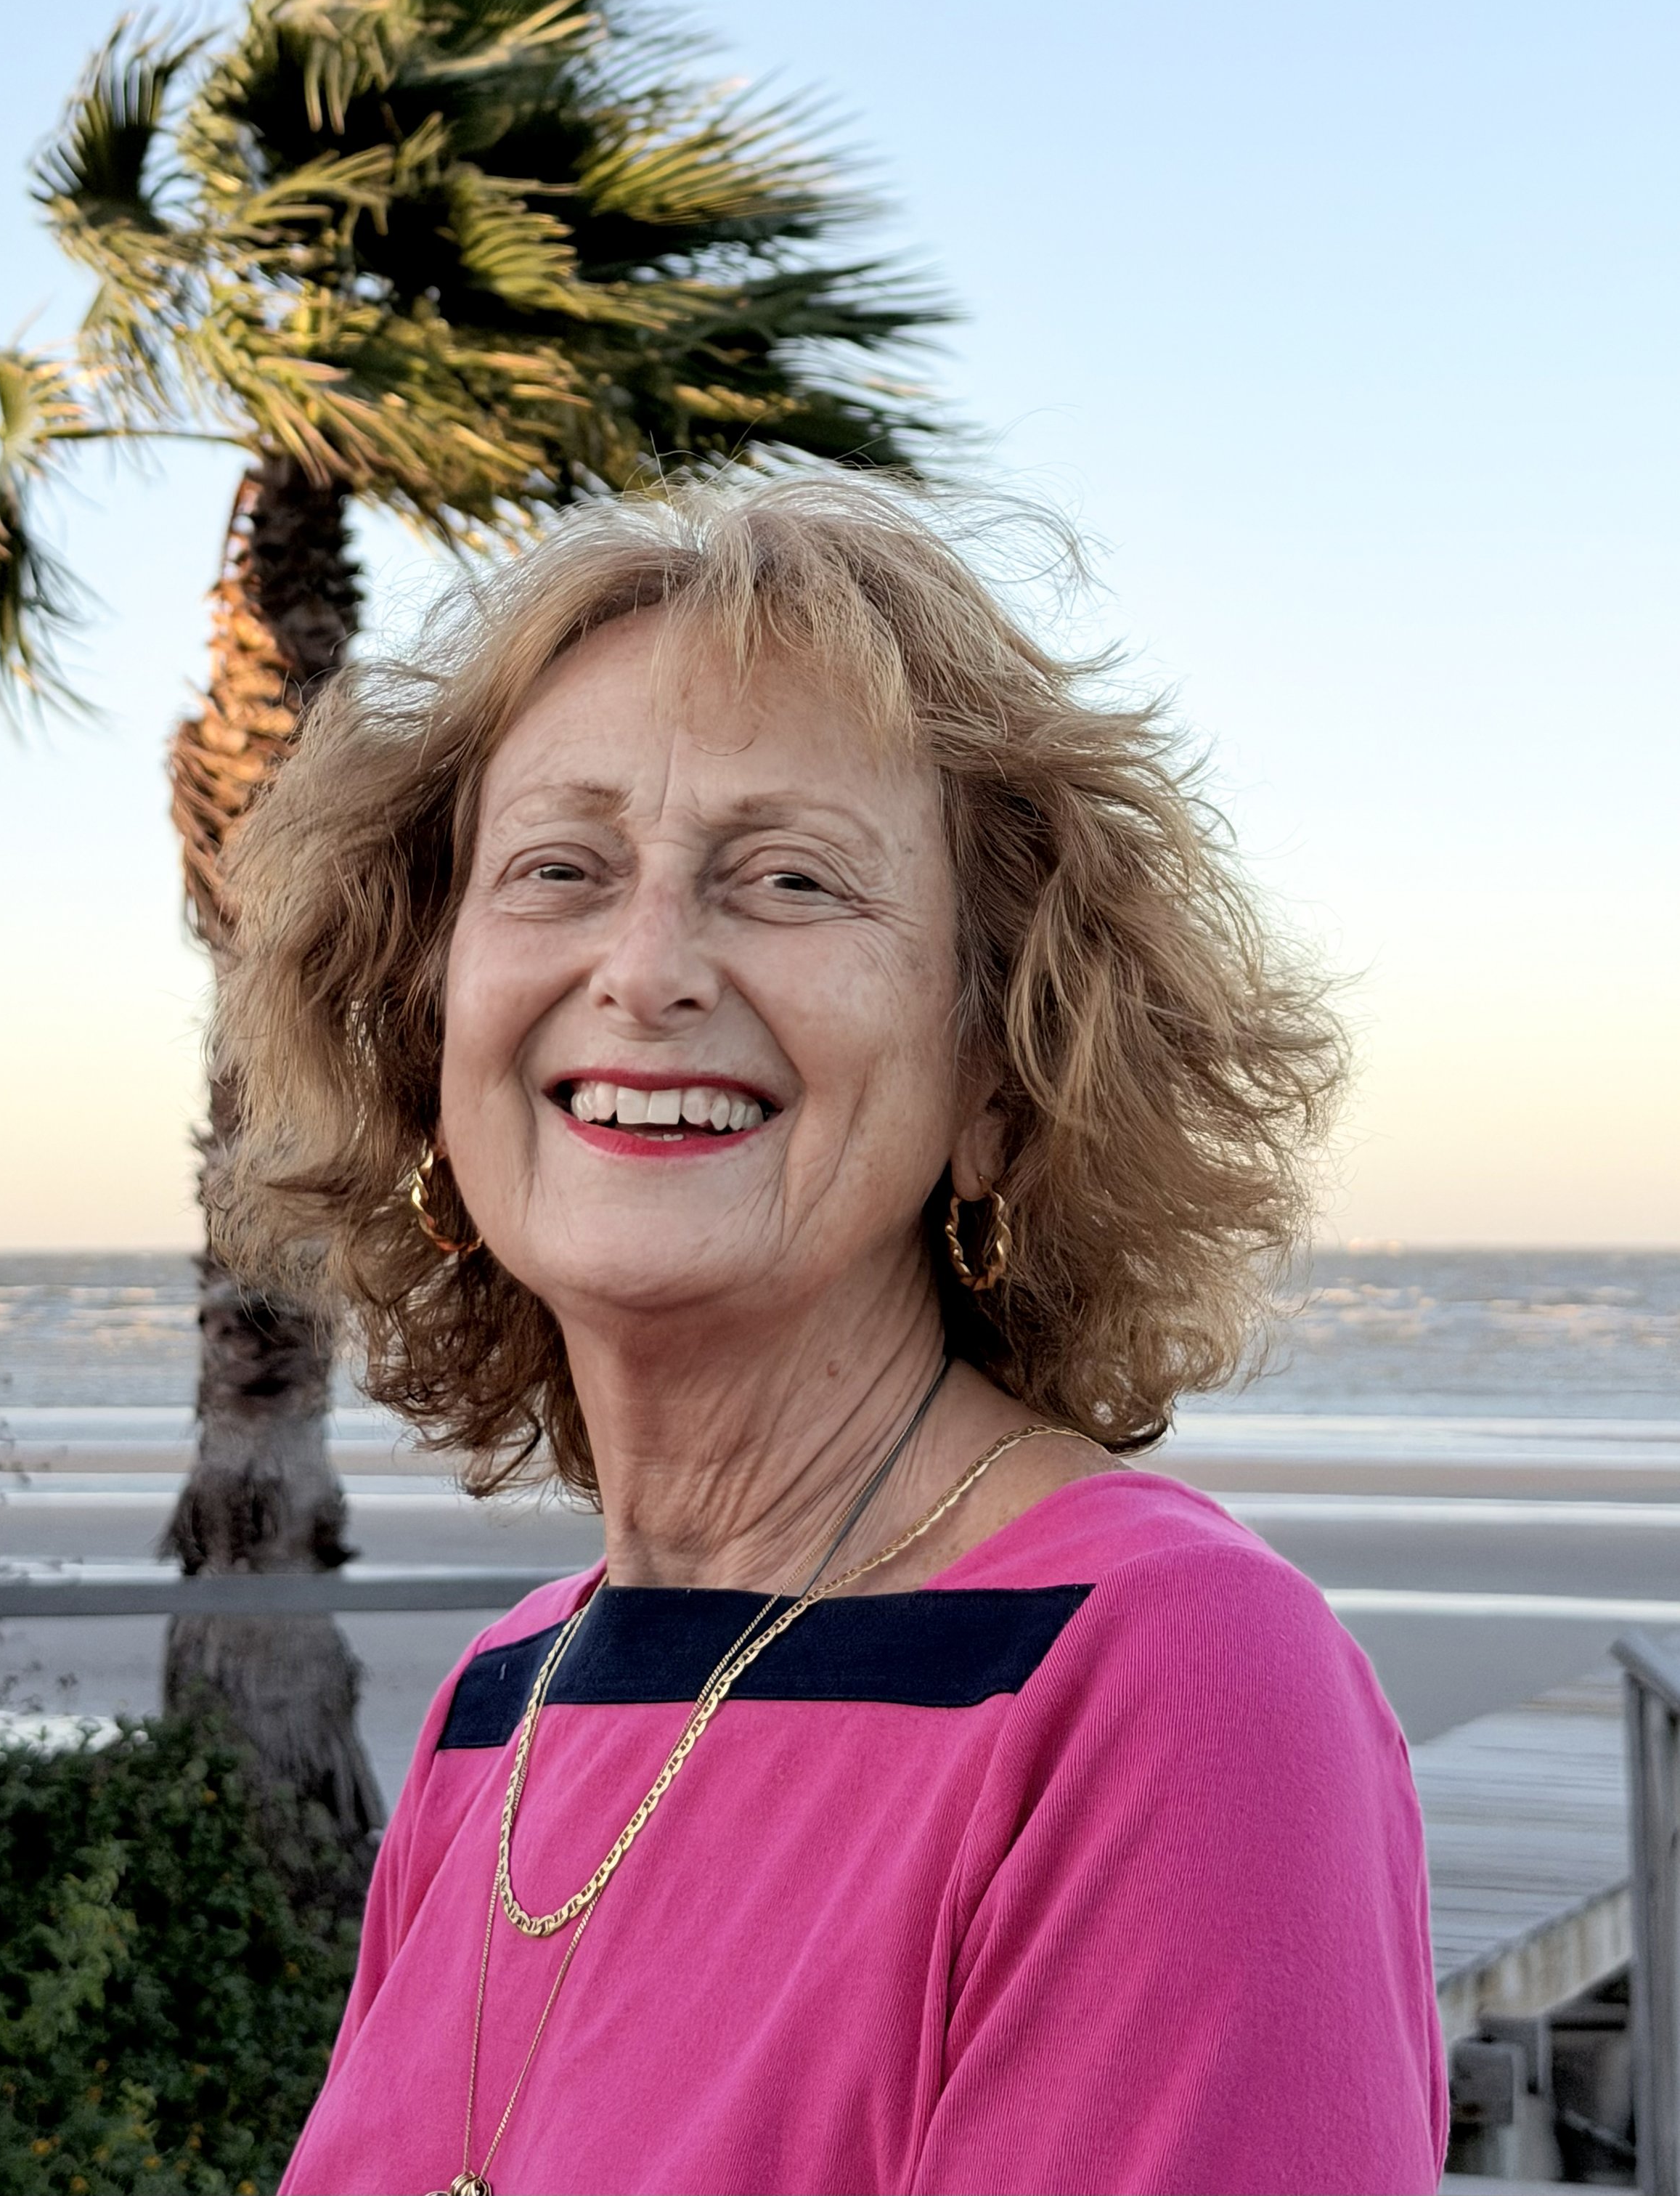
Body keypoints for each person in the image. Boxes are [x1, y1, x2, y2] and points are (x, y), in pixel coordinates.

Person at [215, 473, 1446, 2196]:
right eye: (558, 868)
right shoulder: (506, 1700)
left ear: (1001, 1076)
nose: (645, 966)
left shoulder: (1158, 1676)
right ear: (429, 1037)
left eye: (789, 878)